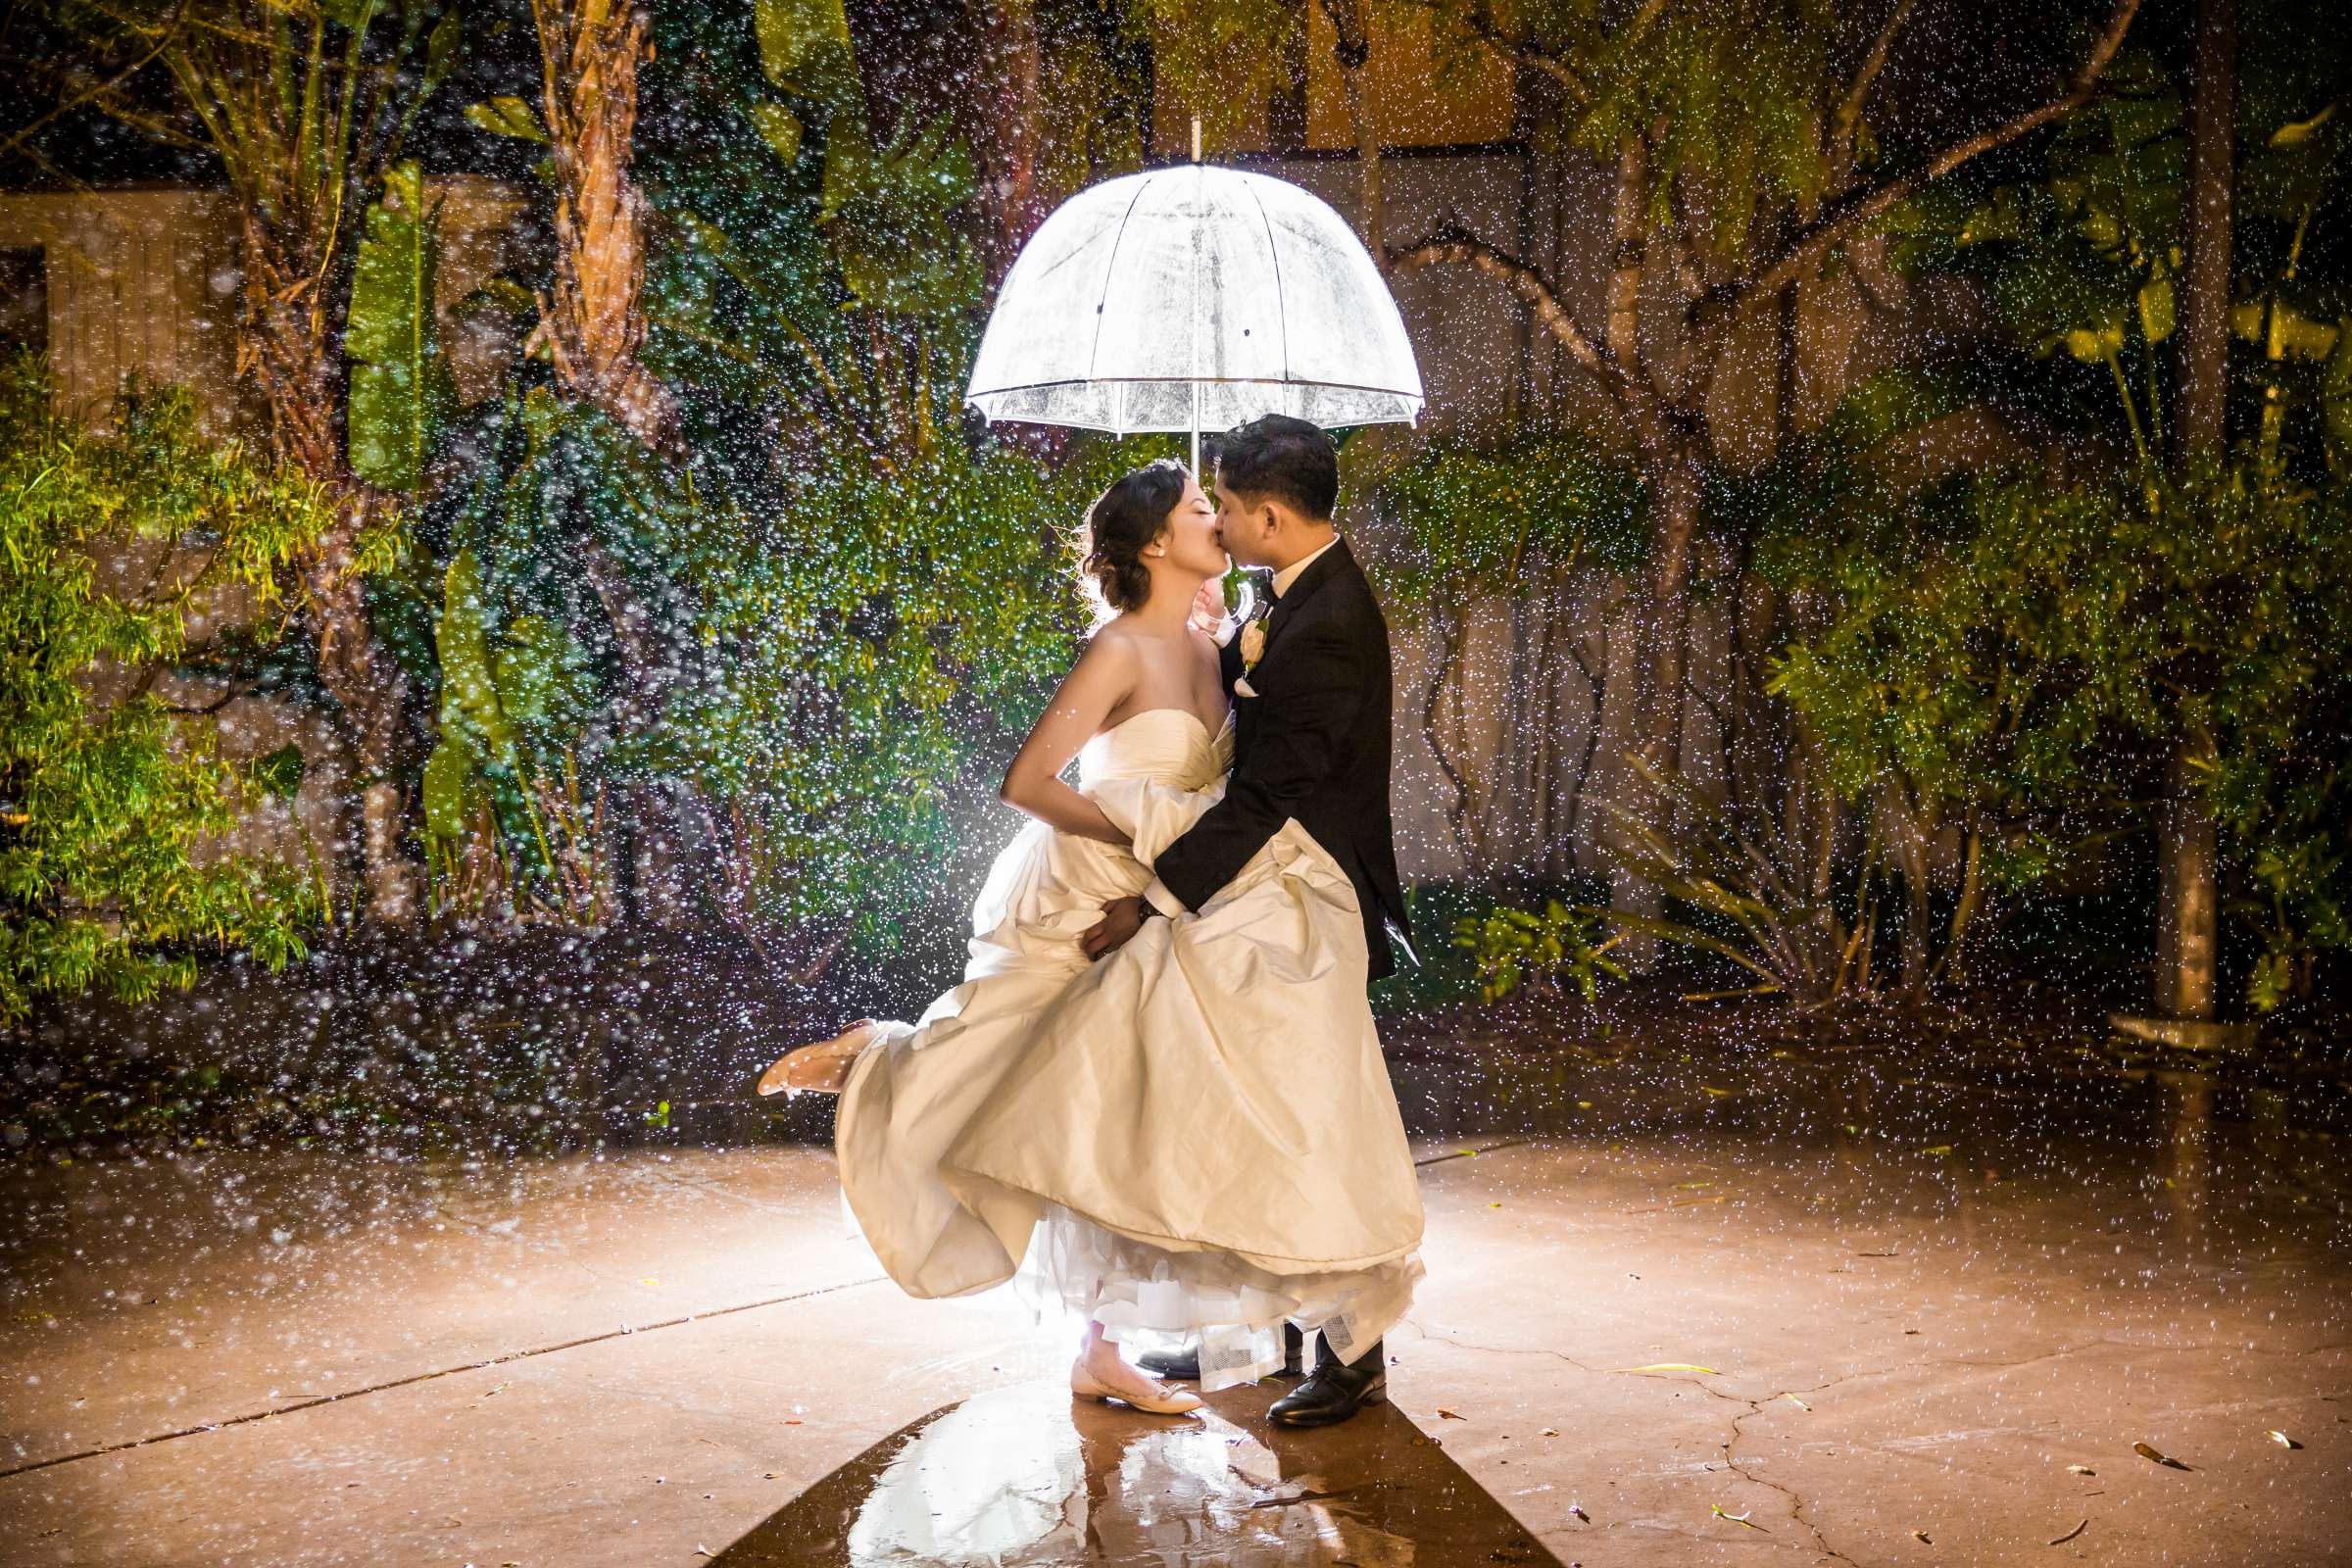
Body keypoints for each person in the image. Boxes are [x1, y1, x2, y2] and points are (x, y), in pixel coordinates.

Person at [758, 429, 1422, 1428]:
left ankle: (1281, 1333)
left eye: (1227, 508)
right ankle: (888, 1065)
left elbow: (1265, 788)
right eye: (1204, 510)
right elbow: (1042, 780)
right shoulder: (1193, 630)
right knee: (1046, 1058)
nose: (1222, 522)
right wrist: (1136, 840)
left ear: (1271, 520)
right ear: (1157, 543)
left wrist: (1160, 882)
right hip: (1132, 866)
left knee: (1160, 1089)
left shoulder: (1276, 627)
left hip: (1229, 875)